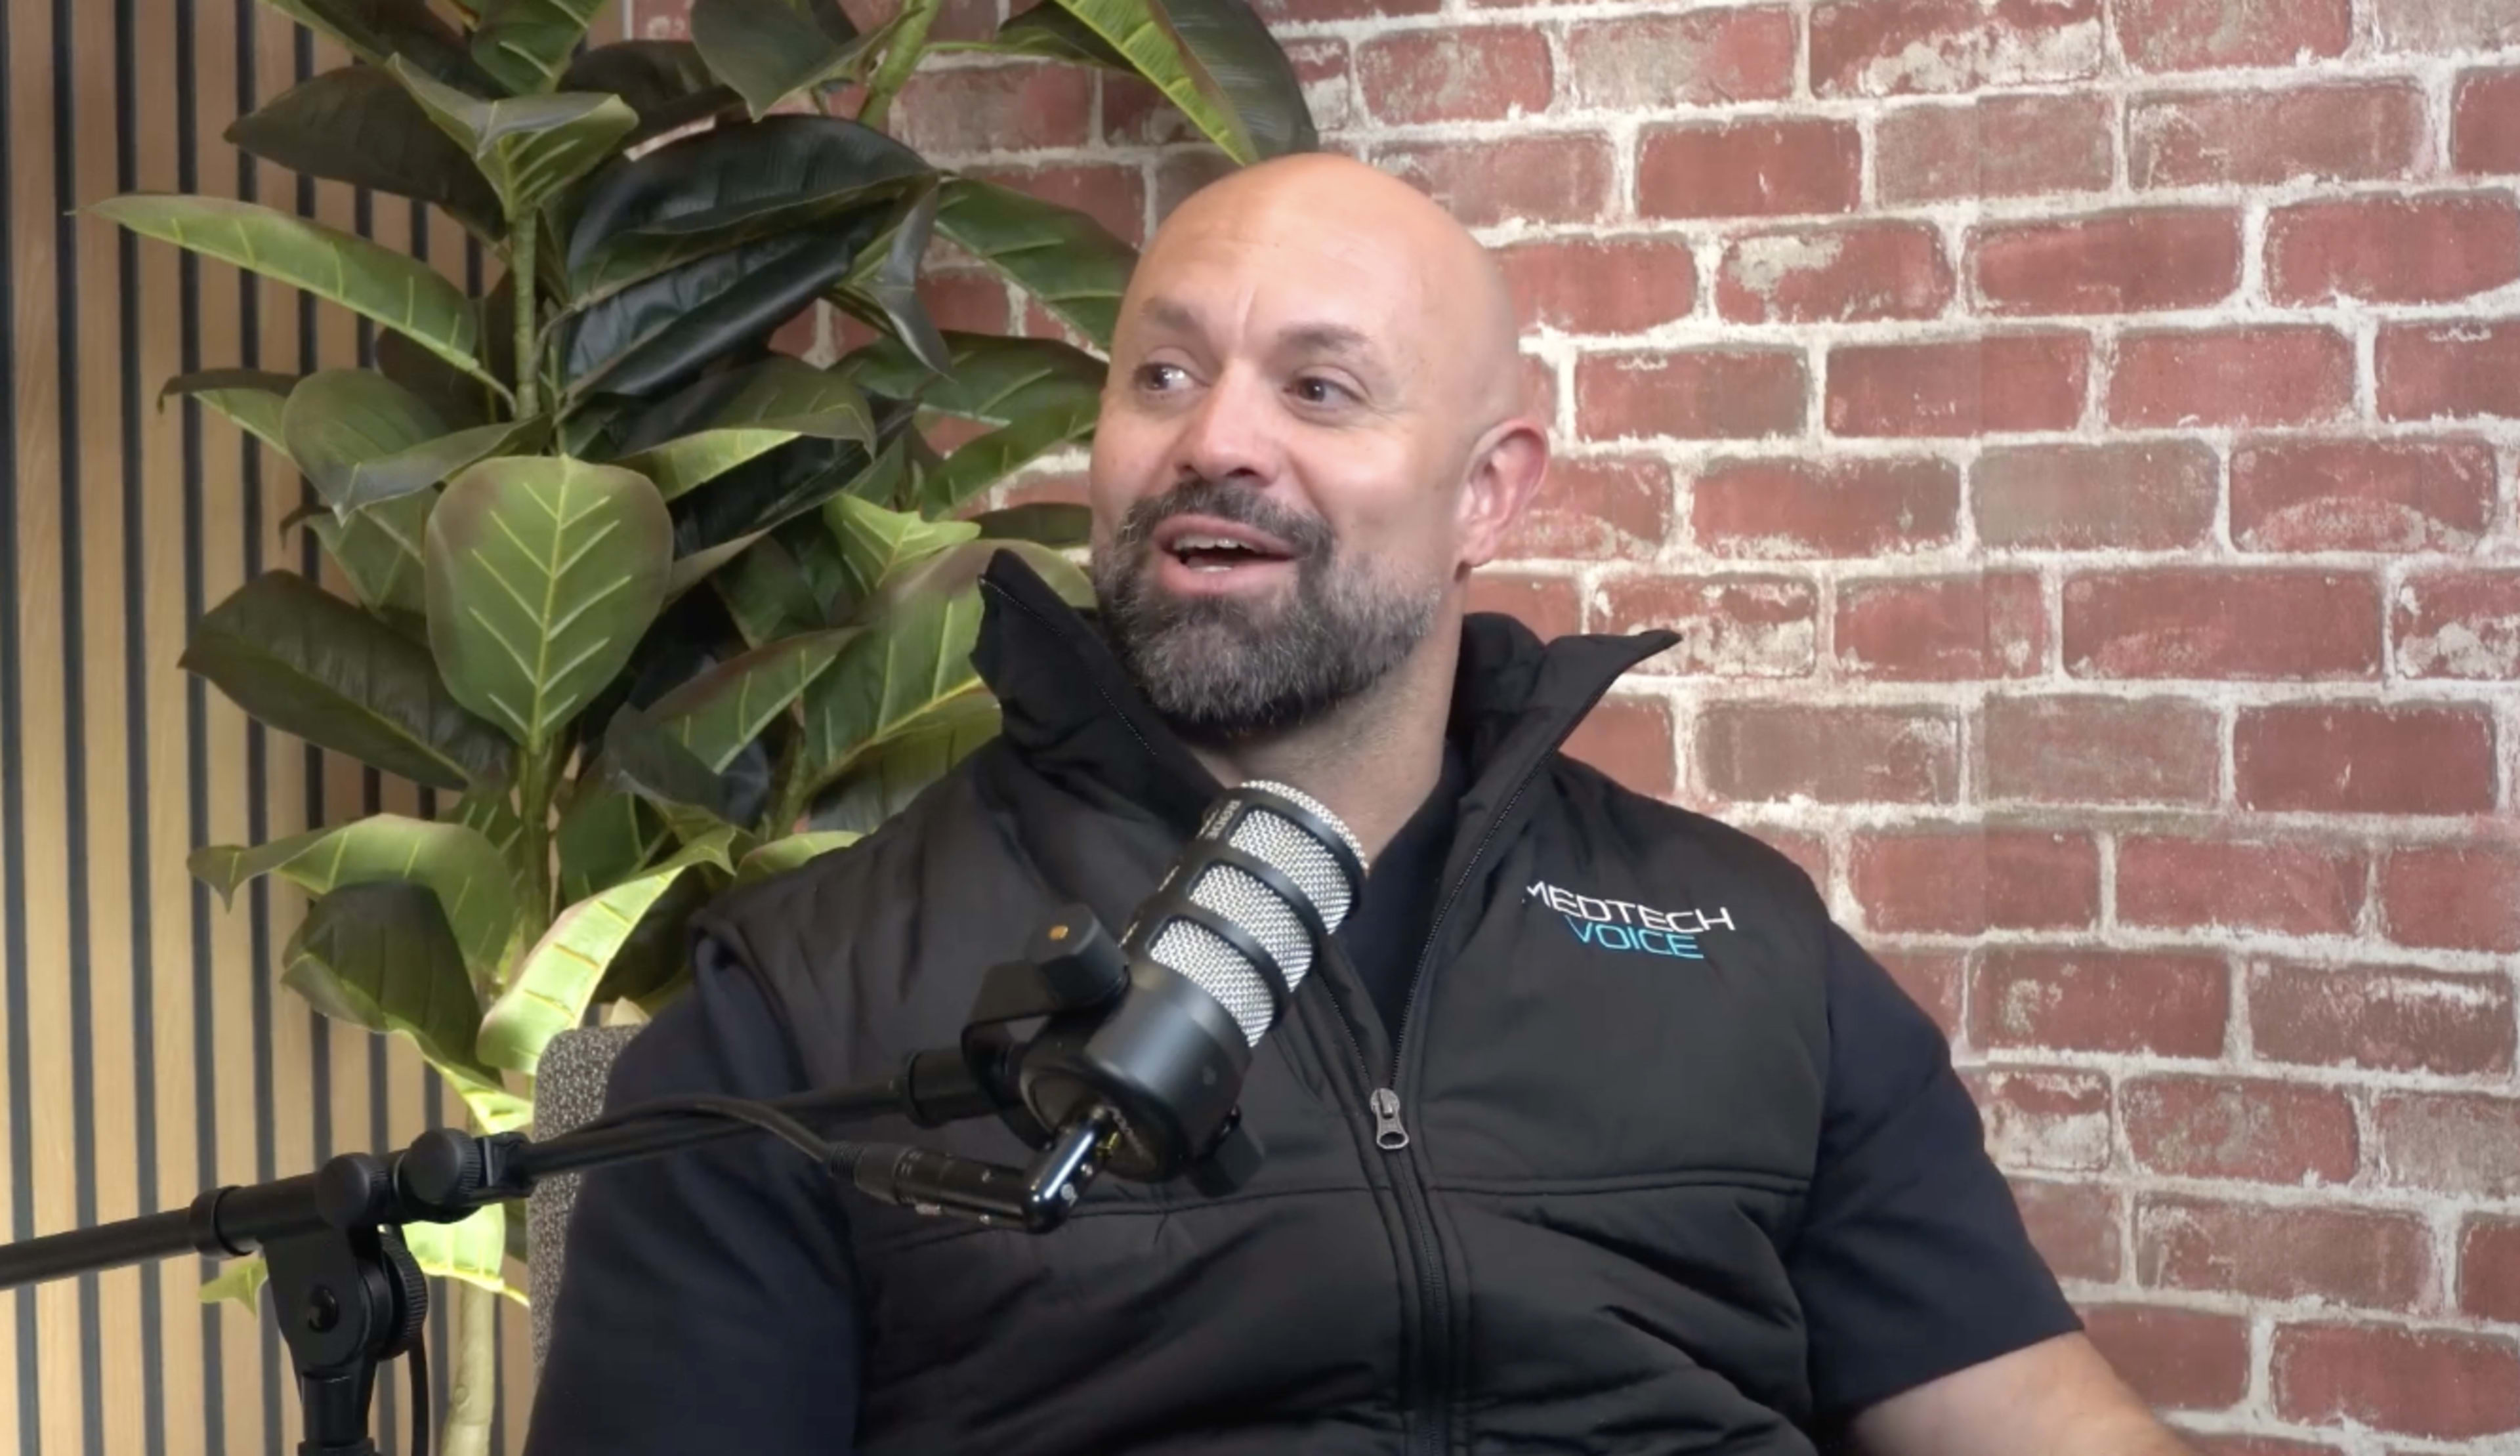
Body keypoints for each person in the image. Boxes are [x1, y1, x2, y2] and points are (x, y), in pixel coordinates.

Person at [525, 153, 2193, 1455]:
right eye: (1163, 377)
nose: (1216, 441)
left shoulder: (1747, 942)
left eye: (1319, 391)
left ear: (1489, 492)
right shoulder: (802, 1010)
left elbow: (2033, 1410)